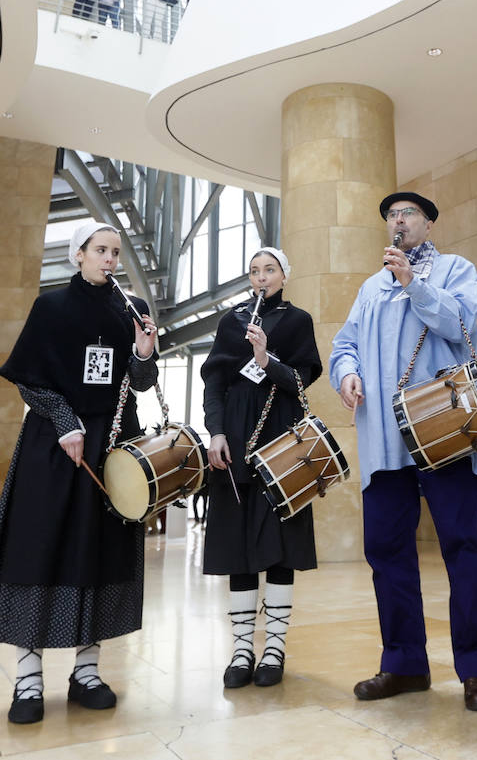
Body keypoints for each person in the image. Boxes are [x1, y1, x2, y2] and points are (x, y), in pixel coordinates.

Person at [0, 221, 158, 725]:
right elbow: (30, 379)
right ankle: (28, 678)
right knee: (41, 546)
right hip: (53, 445)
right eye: (101, 250)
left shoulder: (129, 310)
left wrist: (142, 349)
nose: (110, 259)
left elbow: (139, 382)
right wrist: (67, 422)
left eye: (116, 252)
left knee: (96, 549)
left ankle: (86, 672)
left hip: (110, 447)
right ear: (78, 255)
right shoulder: (50, 307)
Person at [329, 192, 477, 712]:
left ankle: (476, 671)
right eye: (390, 217)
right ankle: (404, 664)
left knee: (461, 549)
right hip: (385, 443)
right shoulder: (370, 287)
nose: (397, 222)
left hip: (444, 431)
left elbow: (462, 326)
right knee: (387, 553)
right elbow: (344, 345)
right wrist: (348, 373)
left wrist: (413, 283)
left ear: (428, 222)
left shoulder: (454, 270)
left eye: (406, 215)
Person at [200, 247, 322, 689]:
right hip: (232, 441)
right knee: (238, 549)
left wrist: (267, 358)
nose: (261, 276)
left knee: (280, 546)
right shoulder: (230, 321)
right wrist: (214, 432)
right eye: (254, 270)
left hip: (280, 441)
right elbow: (214, 381)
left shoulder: (296, 320)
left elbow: (301, 382)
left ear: (284, 275)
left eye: (269, 269)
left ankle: (274, 648)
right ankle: (241, 649)